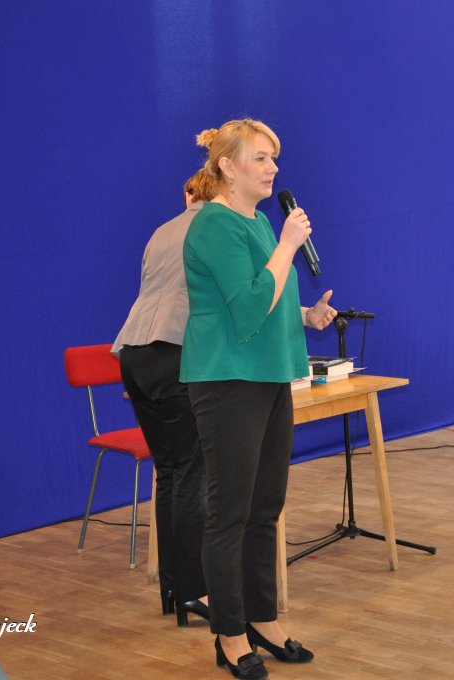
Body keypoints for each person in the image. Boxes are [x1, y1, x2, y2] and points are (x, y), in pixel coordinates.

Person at [181, 118, 336, 679]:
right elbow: (247, 308)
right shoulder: (213, 226)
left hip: (269, 376)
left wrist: (307, 315)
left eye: (274, 157)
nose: (273, 168)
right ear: (227, 166)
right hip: (228, 381)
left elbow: (266, 298)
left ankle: (262, 620)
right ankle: (229, 635)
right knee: (231, 513)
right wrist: (290, 245)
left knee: (265, 507)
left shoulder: (260, 224)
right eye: (261, 158)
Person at [111, 173, 211, 626]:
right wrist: (304, 316)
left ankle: (173, 589)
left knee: (170, 471)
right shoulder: (216, 229)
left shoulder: (161, 231)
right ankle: (194, 591)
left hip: (134, 355)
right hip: (175, 354)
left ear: (187, 194)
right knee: (192, 473)